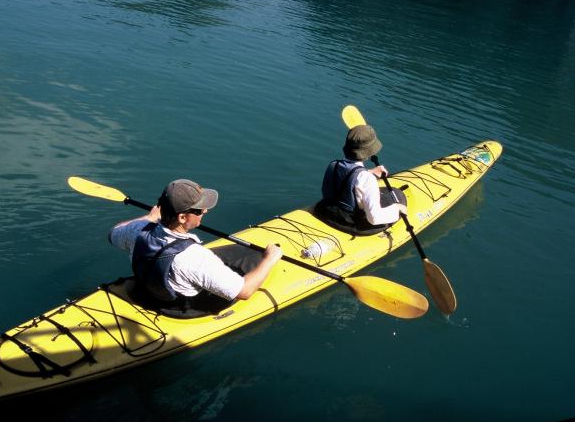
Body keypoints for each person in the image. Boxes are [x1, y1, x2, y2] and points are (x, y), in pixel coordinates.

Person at [109, 179, 282, 316]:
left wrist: (149, 217)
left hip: (148, 291)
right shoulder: (195, 257)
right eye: (199, 210)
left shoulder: (137, 230)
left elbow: (113, 233)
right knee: (257, 260)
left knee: (240, 254)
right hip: (183, 307)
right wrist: (270, 259)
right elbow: (244, 291)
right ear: (182, 218)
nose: (205, 211)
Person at [314, 124, 408, 235]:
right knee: (400, 198)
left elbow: (348, 179)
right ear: (369, 152)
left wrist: (369, 172)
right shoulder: (367, 179)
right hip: (351, 223)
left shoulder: (333, 165)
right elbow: (374, 218)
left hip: (327, 212)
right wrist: (397, 209)